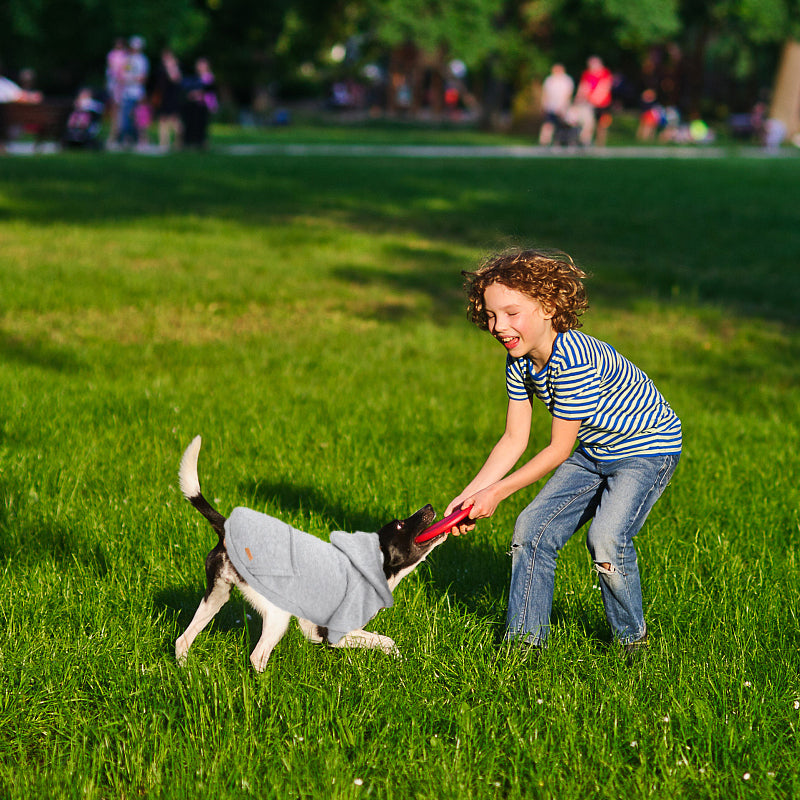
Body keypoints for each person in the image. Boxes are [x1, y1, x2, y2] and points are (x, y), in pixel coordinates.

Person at [444, 248, 681, 660]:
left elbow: (557, 449)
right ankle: (524, 646)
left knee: (606, 539)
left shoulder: (572, 359)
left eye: (511, 313)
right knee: (532, 530)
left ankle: (632, 646)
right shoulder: (520, 360)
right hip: (594, 451)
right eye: (491, 315)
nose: (499, 326)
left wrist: (496, 493)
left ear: (549, 307)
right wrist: (468, 499)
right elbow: (514, 439)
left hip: (646, 449)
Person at [116, 36, 149, 148]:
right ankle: (126, 139)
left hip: (137, 92)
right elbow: (123, 75)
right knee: (126, 117)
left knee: (139, 117)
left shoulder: (143, 60)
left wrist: (131, 78)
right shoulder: (128, 59)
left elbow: (142, 78)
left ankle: (138, 139)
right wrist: (131, 78)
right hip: (127, 92)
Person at [575, 56, 613, 146]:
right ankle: (586, 141)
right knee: (589, 123)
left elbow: (605, 87)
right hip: (590, 103)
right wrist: (579, 98)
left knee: (602, 124)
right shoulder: (587, 74)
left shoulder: (605, 73)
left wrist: (596, 99)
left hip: (603, 103)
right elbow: (583, 87)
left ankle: (600, 143)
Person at [181, 58, 217, 149]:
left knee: (202, 124)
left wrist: (195, 93)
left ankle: (202, 142)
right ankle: (194, 141)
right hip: (196, 104)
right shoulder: (196, 77)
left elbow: (206, 89)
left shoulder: (209, 76)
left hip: (205, 103)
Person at [153, 49, 182, 150]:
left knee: (174, 120)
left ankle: (178, 142)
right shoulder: (161, 70)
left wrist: (171, 67)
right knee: (162, 119)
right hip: (164, 98)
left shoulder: (175, 69)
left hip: (173, 97)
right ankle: (163, 142)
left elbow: (175, 79)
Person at [538, 64, 574, 146]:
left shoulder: (567, 80)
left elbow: (568, 94)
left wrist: (563, 106)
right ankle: (544, 142)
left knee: (562, 125)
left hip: (562, 107)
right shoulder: (549, 80)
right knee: (548, 124)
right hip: (550, 106)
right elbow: (545, 93)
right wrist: (543, 104)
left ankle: (561, 141)